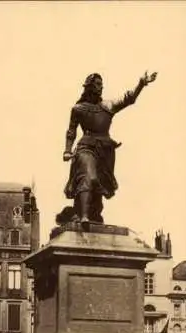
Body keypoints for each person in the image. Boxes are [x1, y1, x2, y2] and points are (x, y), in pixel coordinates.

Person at [61, 71, 157, 229]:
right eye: (98, 84)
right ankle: (84, 216)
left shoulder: (108, 106)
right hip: (86, 147)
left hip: (105, 152)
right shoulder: (78, 109)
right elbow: (71, 131)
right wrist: (67, 150)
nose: (101, 87)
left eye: (102, 85)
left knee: (99, 185)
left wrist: (141, 84)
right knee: (89, 177)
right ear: (89, 86)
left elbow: (129, 99)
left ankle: (90, 214)